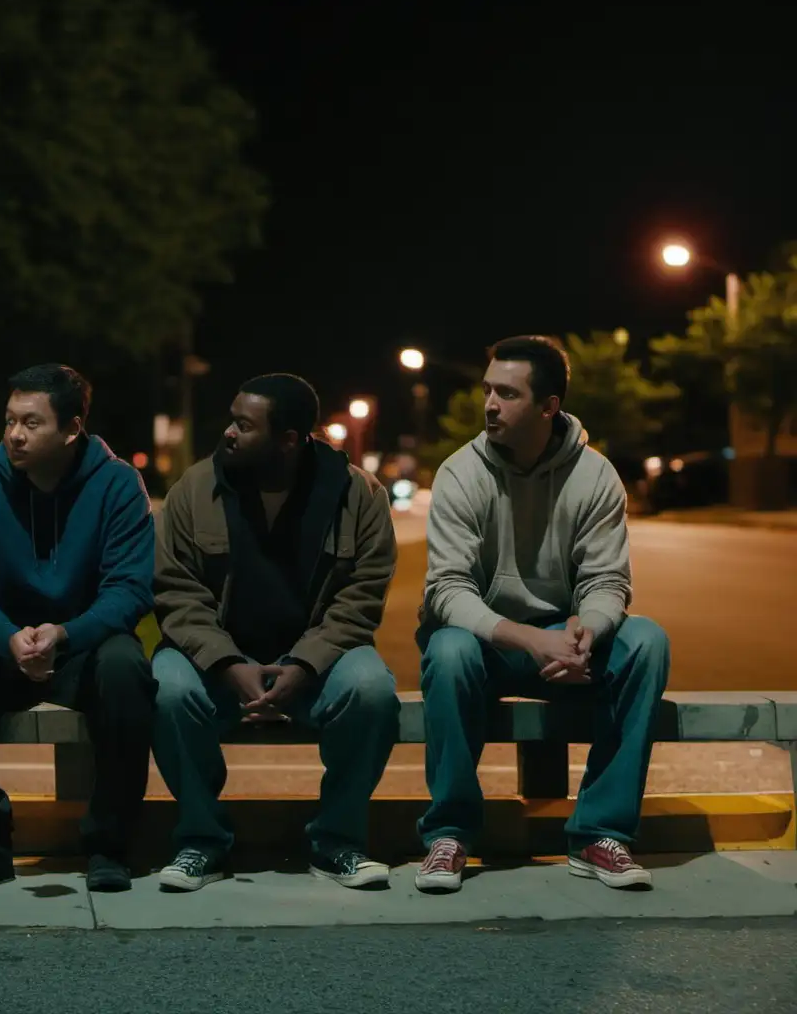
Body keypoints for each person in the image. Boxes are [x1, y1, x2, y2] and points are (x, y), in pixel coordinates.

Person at [415, 336, 670, 894]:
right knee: (448, 648)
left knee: (647, 642)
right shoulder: (461, 472)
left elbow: (607, 580)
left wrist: (587, 632)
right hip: (487, 642)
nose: (489, 405)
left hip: (561, 639)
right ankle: (450, 834)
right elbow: (447, 590)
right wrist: (530, 639)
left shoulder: (595, 475)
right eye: (487, 390)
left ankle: (601, 834)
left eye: (506, 393)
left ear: (548, 406)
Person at [152, 373, 400, 891]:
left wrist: (305, 664)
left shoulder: (357, 493)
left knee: (372, 691)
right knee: (166, 689)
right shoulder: (195, 490)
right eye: (232, 420)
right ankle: (201, 842)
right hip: (217, 658)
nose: (229, 433)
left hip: (320, 659)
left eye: (244, 425)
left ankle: (337, 842)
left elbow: (361, 596)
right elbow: (176, 591)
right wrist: (227, 663)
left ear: (289, 438)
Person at [0, 363, 156, 894]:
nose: (15, 435)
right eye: (9, 421)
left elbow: (130, 590)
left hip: (82, 647)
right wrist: (7, 637)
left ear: (71, 429)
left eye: (31, 423)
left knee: (126, 667)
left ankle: (108, 844)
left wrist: (64, 634)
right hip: (4, 648)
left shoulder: (117, 485)